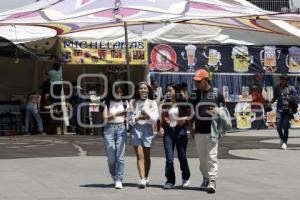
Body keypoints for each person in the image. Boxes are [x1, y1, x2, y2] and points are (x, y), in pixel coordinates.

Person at [189, 69, 225, 193]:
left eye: (199, 81)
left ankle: (212, 180)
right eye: (195, 81)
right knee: (202, 158)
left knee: (212, 156)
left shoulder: (217, 94)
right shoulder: (193, 94)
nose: (196, 83)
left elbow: (225, 112)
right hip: (198, 131)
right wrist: (190, 128)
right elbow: (190, 113)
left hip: (212, 131)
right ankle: (205, 177)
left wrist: (218, 111)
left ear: (206, 80)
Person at [158, 83, 191, 189]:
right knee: (169, 158)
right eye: (167, 91)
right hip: (168, 132)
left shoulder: (182, 103)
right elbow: (161, 118)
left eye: (170, 91)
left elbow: (189, 116)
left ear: (175, 92)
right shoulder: (164, 104)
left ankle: (185, 177)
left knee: (182, 156)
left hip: (180, 131)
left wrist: (182, 120)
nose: (167, 93)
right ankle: (170, 180)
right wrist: (161, 127)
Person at [127, 82, 159, 188]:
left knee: (147, 156)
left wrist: (147, 116)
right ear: (137, 90)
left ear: (148, 90)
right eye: (141, 88)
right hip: (136, 129)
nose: (143, 90)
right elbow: (129, 120)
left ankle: (146, 177)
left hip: (148, 130)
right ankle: (142, 179)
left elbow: (155, 120)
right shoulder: (133, 102)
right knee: (139, 156)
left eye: (145, 88)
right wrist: (137, 118)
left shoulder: (152, 103)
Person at [102, 85, 129, 189]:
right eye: (117, 92)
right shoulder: (106, 103)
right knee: (111, 158)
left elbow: (130, 116)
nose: (119, 94)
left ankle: (119, 179)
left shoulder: (125, 103)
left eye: (120, 92)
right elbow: (105, 118)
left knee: (120, 156)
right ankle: (114, 175)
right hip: (109, 129)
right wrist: (117, 114)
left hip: (121, 128)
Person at [268, 74, 298, 150]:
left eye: (285, 79)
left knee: (285, 127)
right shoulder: (276, 88)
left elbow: (296, 98)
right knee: (278, 126)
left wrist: (290, 98)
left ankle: (285, 142)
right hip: (279, 109)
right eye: (282, 79)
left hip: (288, 111)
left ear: (287, 80)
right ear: (280, 79)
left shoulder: (291, 88)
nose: (283, 80)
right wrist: (270, 103)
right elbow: (275, 97)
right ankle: (281, 138)